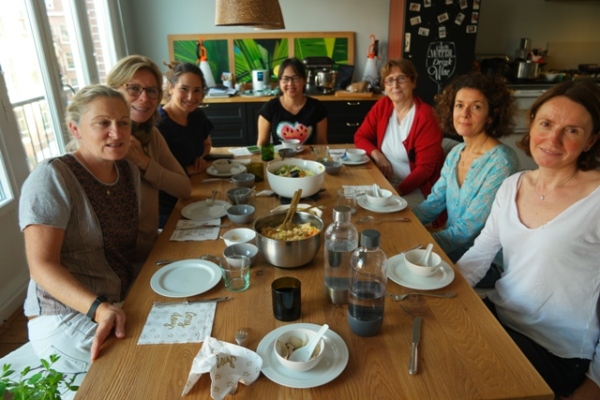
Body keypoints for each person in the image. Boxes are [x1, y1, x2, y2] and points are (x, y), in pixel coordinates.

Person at [457, 79, 600, 399]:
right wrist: (439, 289)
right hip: (500, 316)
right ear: (532, 122)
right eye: (546, 124)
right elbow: (480, 255)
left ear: (591, 141)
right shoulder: (513, 185)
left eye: (572, 130)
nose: (553, 139)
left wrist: (596, 382)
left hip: (555, 349)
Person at [20, 85, 139, 379]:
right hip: (64, 315)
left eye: (123, 122)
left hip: (116, 301)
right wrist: (98, 309)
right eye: (103, 123)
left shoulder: (127, 172)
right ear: (75, 129)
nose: (116, 132)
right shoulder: (52, 176)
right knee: (143, 362)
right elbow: (41, 266)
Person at [413, 73, 519, 269]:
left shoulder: (502, 162)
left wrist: (417, 245)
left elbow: (468, 229)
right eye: (459, 105)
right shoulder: (456, 152)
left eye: (476, 107)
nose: (464, 113)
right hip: (452, 247)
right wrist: (399, 221)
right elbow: (432, 205)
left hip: (484, 262)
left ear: (491, 116)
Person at [106, 55, 191, 260]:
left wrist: (144, 163)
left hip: (150, 250)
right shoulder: (103, 144)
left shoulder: (151, 135)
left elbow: (184, 188)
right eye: (133, 88)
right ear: (113, 90)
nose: (144, 98)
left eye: (151, 90)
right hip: (121, 261)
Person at [354, 59, 444, 208]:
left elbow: (425, 170)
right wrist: (377, 155)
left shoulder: (426, 117)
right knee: (351, 200)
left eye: (401, 78)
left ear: (413, 82)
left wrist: (396, 191)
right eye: (389, 80)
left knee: (377, 212)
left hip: (416, 189)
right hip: (384, 181)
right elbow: (361, 136)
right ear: (385, 86)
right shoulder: (383, 105)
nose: (395, 85)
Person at [156, 61, 214, 227]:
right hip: (169, 205)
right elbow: (155, 173)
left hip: (195, 189)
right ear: (170, 88)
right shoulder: (159, 125)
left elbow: (207, 145)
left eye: (197, 90)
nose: (191, 97)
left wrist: (199, 157)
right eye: (184, 89)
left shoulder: (197, 116)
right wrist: (187, 170)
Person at [257, 57, 328, 146]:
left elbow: (321, 143)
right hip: (279, 155)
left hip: (308, 155)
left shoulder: (316, 107)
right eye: (285, 79)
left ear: (304, 80)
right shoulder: (269, 108)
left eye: (295, 78)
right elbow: (262, 144)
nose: (290, 83)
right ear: (279, 82)